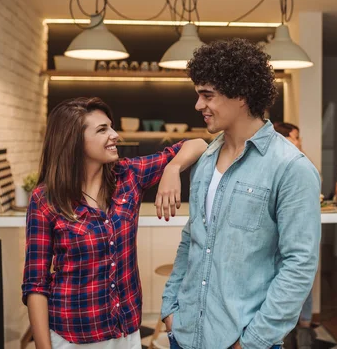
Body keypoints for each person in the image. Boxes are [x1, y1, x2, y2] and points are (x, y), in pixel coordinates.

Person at [161, 39, 322, 349]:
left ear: (242, 96)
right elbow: (192, 238)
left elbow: (299, 265)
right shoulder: (207, 160)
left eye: (208, 96)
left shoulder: (291, 168)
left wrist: (253, 341)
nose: (198, 106)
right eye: (198, 95)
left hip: (241, 341)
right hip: (185, 332)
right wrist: (170, 307)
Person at [22, 97, 207, 349]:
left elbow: (198, 144)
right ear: (73, 140)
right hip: (72, 337)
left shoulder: (128, 176)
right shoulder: (45, 199)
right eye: (102, 130)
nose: (115, 135)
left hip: (125, 333)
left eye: (111, 126)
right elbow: (35, 283)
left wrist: (172, 169)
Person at [273, 121, 317, 349]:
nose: (300, 141)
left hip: (295, 236)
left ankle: (302, 333)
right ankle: (293, 334)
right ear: (286, 138)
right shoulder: (278, 165)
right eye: (296, 136)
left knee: (302, 270)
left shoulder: (301, 165)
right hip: (279, 239)